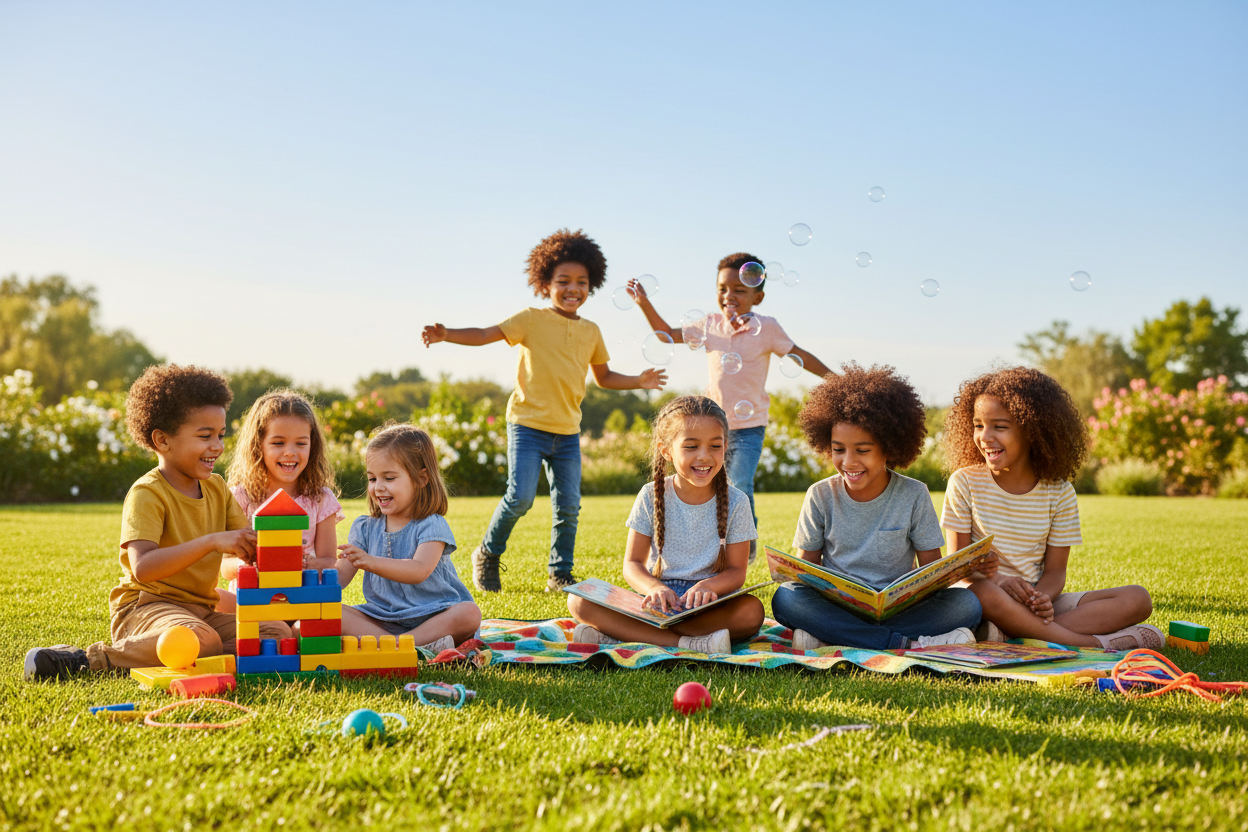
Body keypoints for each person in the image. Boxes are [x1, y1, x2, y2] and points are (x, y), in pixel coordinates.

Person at [422, 228, 667, 593]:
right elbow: (486, 333)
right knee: (520, 497)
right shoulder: (531, 319)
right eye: (563, 280)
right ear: (545, 283)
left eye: (582, 282)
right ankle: (487, 552)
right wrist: (448, 334)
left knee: (568, 506)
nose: (573, 288)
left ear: (591, 285)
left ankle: (560, 573)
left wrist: (639, 380)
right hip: (527, 425)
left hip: (567, 432)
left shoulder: (592, 331)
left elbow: (603, 377)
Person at [24, 364, 290, 680]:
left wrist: (273, 549)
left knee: (278, 634)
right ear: (162, 441)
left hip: (201, 610)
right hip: (146, 608)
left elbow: (245, 540)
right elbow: (144, 567)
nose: (217, 446)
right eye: (205, 436)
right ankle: (90, 660)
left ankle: (187, 657)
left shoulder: (217, 488)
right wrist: (211, 541)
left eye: (220, 435)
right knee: (201, 639)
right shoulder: (148, 493)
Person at [941, 367, 1160, 649]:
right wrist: (1001, 581)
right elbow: (958, 566)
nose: (985, 436)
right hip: (984, 595)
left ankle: (1010, 637)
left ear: (1032, 429)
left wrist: (1038, 599)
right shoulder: (965, 482)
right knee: (984, 593)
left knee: (1137, 598)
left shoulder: (1059, 492)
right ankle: (1092, 644)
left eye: (1000, 426)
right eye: (978, 425)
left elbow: (1056, 572)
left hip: (1038, 600)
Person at [628, 253, 831, 553]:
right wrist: (644, 303)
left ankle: (743, 550)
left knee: (739, 485)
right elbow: (666, 336)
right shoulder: (710, 325)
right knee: (713, 487)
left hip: (750, 427)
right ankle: (715, 542)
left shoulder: (768, 328)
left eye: (739, 289)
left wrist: (835, 378)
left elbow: (799, 355)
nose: (729, 295)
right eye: (722, 288)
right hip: (713, 428)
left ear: (757, 297)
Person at [770, 363, 982, 651]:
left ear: (890, 447)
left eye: (863, 450)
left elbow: (931, 571)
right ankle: (903, 642)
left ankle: (833, 637)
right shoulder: (820, 495)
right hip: (839, 606)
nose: (848, 462)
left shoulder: (914, 494)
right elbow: (805, 571)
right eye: (838, 449)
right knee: (787, 597)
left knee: (966, 603)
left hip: (901, 609)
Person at [567, 396, 763, 655]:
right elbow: (632, 564)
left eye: (714, 446)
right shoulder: (650, 495)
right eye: (691, 447)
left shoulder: (737, 501)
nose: (704, 456)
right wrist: (655, 588)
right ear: (666, 449)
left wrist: (708, 587)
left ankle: (624, 636)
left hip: (707, 606)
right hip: (656, 603)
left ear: (725, 446)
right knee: (579, 600)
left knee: (752, 612)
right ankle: (683, 644)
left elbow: (737, 571)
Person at [334, 423, 481, 654]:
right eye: (372, 479)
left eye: (389, 478)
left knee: (470, 613)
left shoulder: (431, 524)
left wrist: (370, 561)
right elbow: (338, 579)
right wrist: (312, 573)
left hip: (434, 617)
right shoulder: (364, 527)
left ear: (421, 479)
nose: (378, 487)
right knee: (329, 612)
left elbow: (418, 570)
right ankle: (404, 645)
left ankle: (398, 645)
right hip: (383, 620)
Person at [214, 390, 344, 614]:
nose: (290, 452)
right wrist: (254, 565)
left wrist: (299, 564)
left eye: (300, 444)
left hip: (301, 601)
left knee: (317, 620)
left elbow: (329, 562)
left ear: (312, 446)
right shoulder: (241, 497)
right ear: (258, 445)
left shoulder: (321, 499)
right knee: (210, 599)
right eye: (278, 443)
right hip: (250, 601)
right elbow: (225, 566)